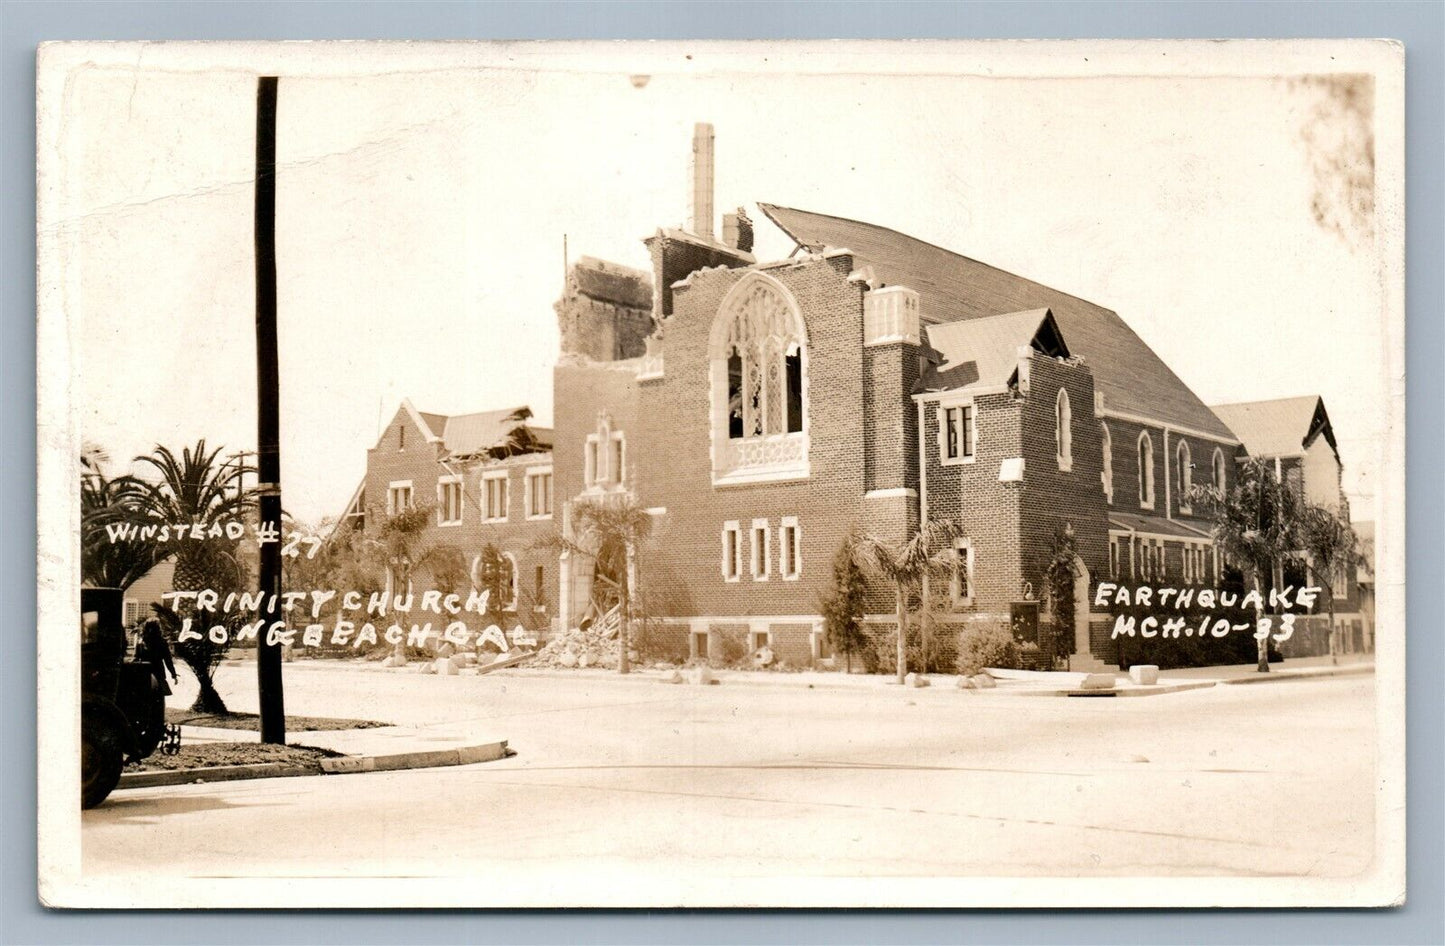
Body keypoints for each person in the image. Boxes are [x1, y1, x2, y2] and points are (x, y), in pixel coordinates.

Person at [136, 617, 177, 694]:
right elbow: (168, 660)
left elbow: (137, 658)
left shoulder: (141, 642)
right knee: (159, 697)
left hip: (144, 672)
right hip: (158, 671)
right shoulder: (162, 642)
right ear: (158, 628)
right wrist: (173, 674)